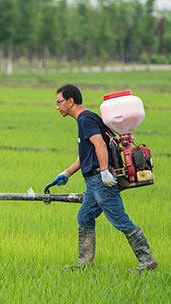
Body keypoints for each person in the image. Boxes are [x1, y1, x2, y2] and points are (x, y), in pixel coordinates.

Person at [50, 84, 157, 272]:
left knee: (119, 219)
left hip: (100, 181)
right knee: (85, 216)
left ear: (70, 101)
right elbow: (86, 155)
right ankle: (84, 263)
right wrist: (66, 173)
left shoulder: (85, 120)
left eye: (59, 102)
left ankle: (147, 260)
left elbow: (99, 144)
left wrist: (104, 171)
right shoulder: (88, 118)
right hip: (93, 182)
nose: (57, 107)